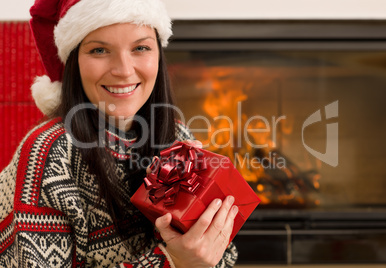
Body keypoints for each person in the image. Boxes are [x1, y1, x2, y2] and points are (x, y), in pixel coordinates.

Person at [0, 0, 239, 267]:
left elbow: (221, 256)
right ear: (74, 62)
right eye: (99, 50)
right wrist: (171, 261)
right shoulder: (47, 155)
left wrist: (197, 221)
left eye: (140, 48)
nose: (124, 70)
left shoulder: (176, 136)